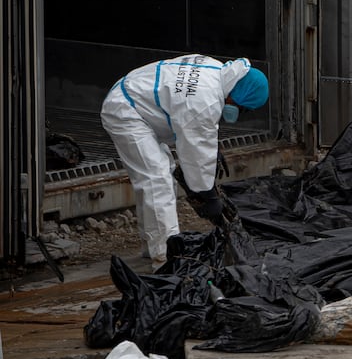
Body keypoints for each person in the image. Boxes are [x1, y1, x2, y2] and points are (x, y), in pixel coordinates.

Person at [100, 55, 268, 264]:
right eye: (242, 107)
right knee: (156, 179)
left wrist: (210, 147)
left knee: (157, 178)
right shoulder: (205, 101)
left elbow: (194, 129)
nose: (239, 112)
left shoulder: (215, 70)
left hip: (136, 98)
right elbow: (196, 153)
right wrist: (209, 196)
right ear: (239, 93)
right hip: (126, 111)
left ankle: (152, 246)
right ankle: (167, 259)